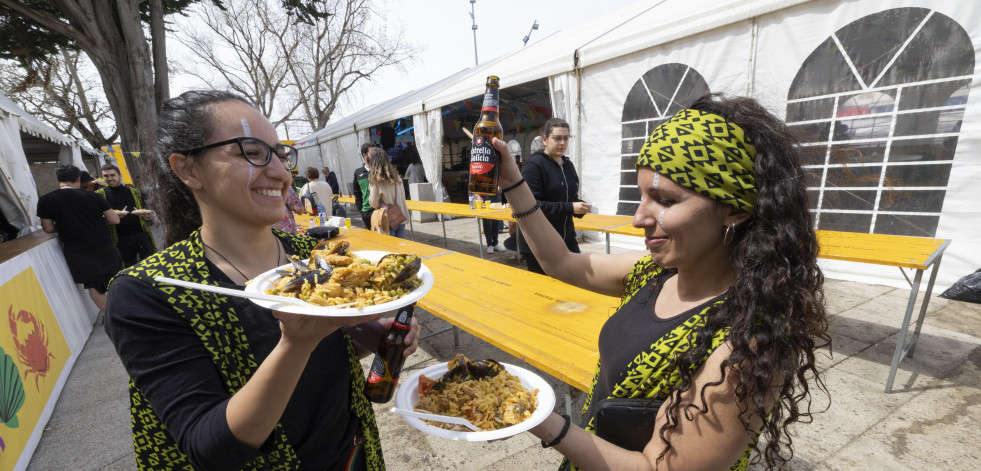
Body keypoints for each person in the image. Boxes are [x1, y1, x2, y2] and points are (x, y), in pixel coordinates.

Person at [492, 95, 829, 470]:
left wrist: (533, 414)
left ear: (734, 209)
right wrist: (513, 182)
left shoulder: (748, 344)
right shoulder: (655, 273)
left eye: (665, 200)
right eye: (641, 196)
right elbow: (561, 262)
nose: (638, 217)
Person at [104, 90, 420, 470]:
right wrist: (295, 344)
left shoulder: (310, 256)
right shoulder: (151, 292)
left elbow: (324, 359)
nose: (281, 173)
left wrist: (372, 335)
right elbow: (210, 449)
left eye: (281, 155)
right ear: (187, 169)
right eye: (251, 152)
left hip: (351, 455)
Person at [37, 162, 122, 311]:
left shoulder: (45, 200)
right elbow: (114, 219)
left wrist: (66, 225)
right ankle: (127, 311)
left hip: (77, 251)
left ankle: (113, 317)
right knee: (118, 278)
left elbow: (48, 228)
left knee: (94, 285)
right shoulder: (93, 196)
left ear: (58, 179)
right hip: (103, 245)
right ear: (78, 179)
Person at [516, 118, 591, 274]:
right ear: (545, 139)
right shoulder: (534, 165)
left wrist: (580, 206)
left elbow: (569, 198)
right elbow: (532, 206)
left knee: (577, 278)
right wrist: (570, 207)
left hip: (566, 237)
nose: (562, 143)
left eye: (565, 138)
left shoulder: (568, 165)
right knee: (545, 293)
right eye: (557, 138)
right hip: (539, 241)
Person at [97, 164, 157, 267]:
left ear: (120, 176)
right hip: (120, 239)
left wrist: (147, 216)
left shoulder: (135, 192)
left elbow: (145, 210)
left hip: (141, 234)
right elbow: (98, 217)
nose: (109, 178)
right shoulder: (99, 195)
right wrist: (108, 218)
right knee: (130, 268)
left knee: (152, 264)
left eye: (112, 175)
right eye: (106, 176)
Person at [367, 147, 409, 239]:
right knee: (399, 248)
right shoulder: (396, 176)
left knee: (390, 249)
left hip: (387, 219)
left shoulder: (376, 180)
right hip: (400, 217)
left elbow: (373, 203)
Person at [353, 142, 379, 228]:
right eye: (372, 152)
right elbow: (357, 192)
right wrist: (361, 210)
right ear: (365, 155)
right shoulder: (358, 172)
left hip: (380, 210)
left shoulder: (380, 170)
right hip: (366, 211)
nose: (375, 154)